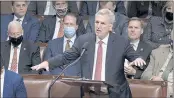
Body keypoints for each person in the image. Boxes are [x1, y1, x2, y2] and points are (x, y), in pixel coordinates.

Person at [32, 9, 146, 98]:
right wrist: (48, 63)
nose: (98, 26)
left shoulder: (121, 42)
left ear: (110, 26)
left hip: (114, 94)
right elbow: (67, 56)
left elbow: (134, 55)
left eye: (103, 23)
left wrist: (137, 59)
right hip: (90, 93)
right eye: (97, 22)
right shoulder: (84, 40)